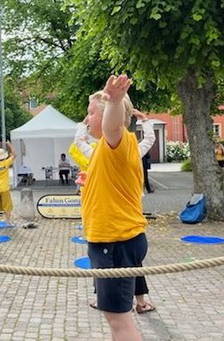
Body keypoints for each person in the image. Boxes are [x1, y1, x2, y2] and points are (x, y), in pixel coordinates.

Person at [81, 75, 148, 340]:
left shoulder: (118, 142)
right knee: (115, 317)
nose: (87, 118)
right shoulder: (102, 149)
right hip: (111, 242)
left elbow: (112, 127)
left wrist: (114, 101)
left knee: (119, 320)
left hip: (116, 243)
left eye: (91, 113)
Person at [73, 108, 156, 314]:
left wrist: (83, 125)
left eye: (92, 112)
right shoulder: (109, 152)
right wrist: (145, 121)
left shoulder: (116, 150)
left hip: (119, 227)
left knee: (122, 268)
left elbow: (80, 142)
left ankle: (119, 300)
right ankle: (139, 301)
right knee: (133, 266)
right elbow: (149, 140)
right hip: (127, 227)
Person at [0, 142, 16, 226]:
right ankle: (8, 221)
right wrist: (10, 145)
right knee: (7, 206)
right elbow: (14, 154)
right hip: (5, 188)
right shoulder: (6, 163)